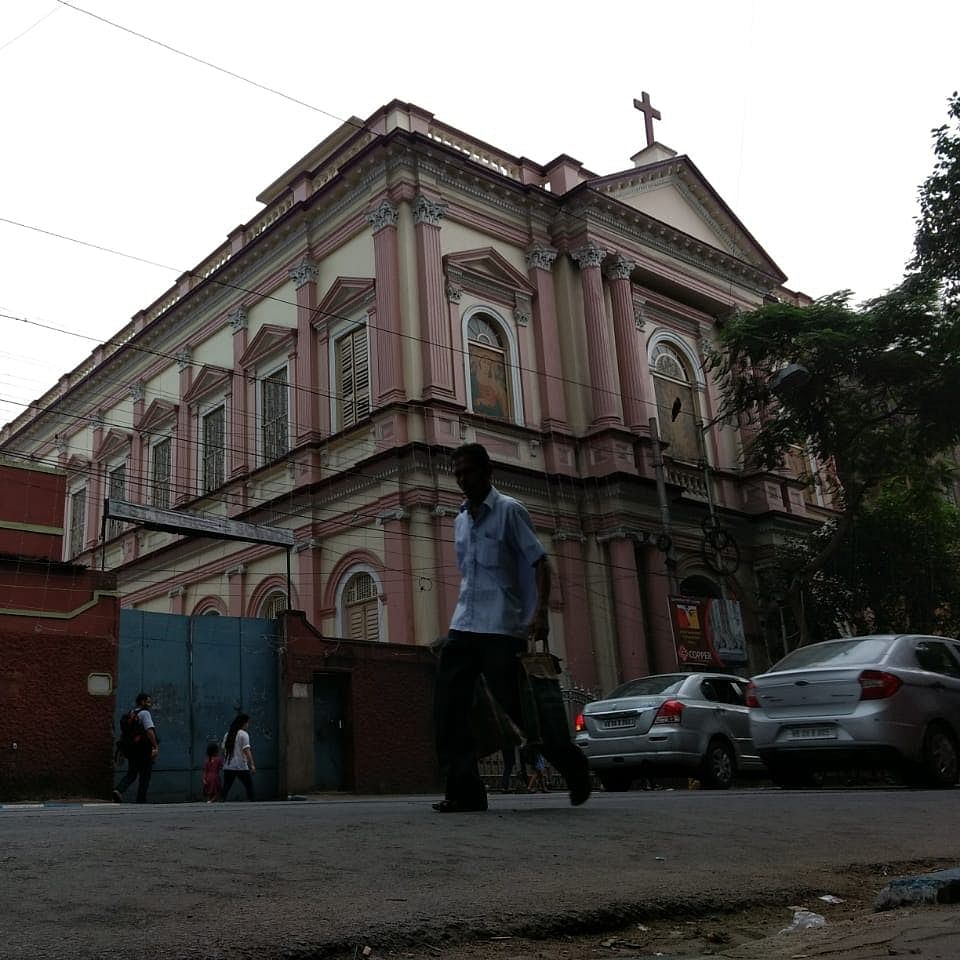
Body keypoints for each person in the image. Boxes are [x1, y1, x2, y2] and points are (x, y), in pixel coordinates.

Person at [433, 442, 591, 813]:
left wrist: (539, 615)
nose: (462, 480)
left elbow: (540, 562)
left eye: (469, 472)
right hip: (465, 624)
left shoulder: (508, 511)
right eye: (457, 474)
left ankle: (572, 764)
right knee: (449, 708)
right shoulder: (459, 520)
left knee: (521, 709)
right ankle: (466, 792)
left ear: (488, 472)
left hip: (502, 627)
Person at [113, 692, 159, 804]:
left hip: (132, 749)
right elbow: (149, 730)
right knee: (145, 775)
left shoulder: (131, 713)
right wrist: (155, 746)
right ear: (142, 702)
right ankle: (141, 800)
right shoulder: (145, 713)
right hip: (143, 749)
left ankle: (119, 790)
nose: (150, 704)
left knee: (132, 772)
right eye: (148, 701)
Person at [221, 713, 256, 801]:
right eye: (247, 723)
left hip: (229, 766)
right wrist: (252, 764)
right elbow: (247, 750)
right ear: (243, 723)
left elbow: (223, 750)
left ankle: (221, 800)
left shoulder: (228, 734)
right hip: (241, 766)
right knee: (249, 785)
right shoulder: (244, 734)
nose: (248, 725)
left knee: (226, 786)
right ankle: (252, 801)